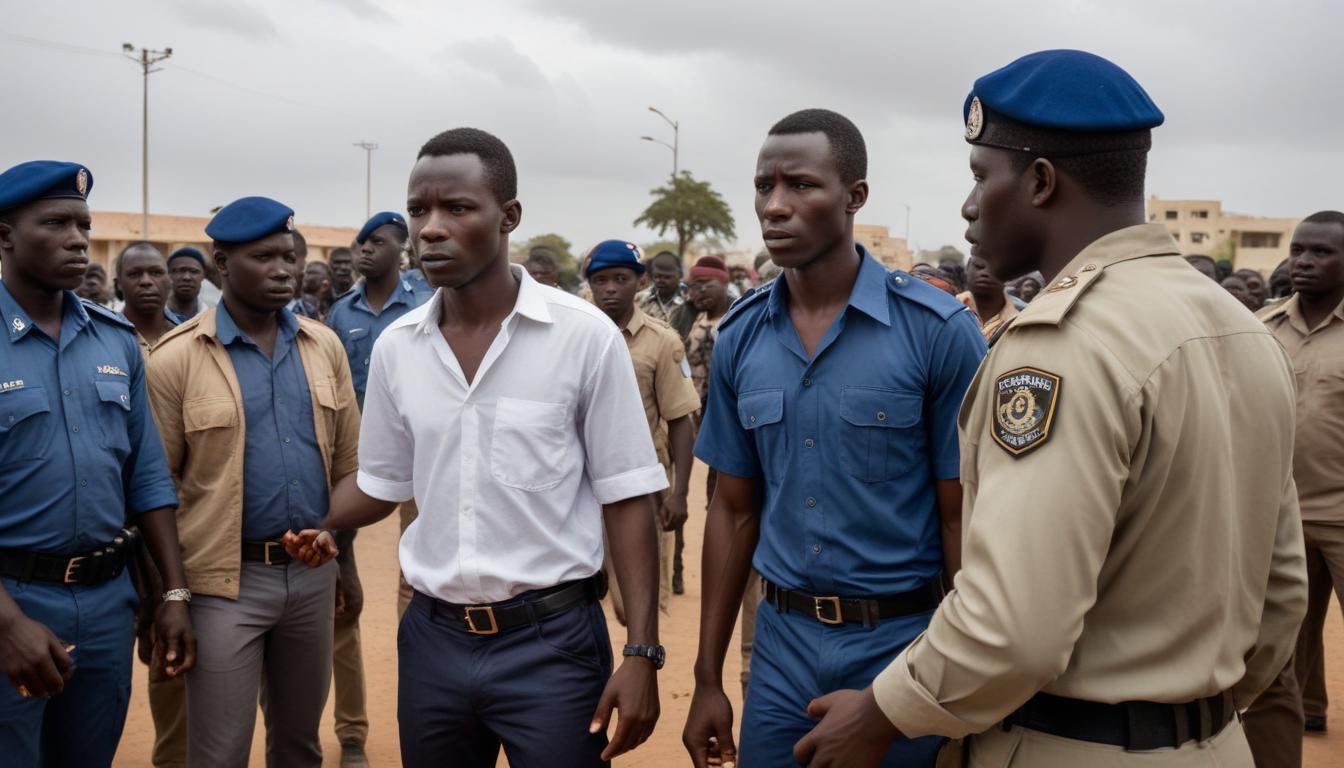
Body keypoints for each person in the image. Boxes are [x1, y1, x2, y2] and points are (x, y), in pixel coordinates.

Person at [793, 50, 1306, 768]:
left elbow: (1013, 629)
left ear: (1039, 181)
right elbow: (1280, 595)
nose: (969, 205)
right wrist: (1188, 714)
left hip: (1066, 744)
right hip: (1216, 745)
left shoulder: (1061, 346)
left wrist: (881, 712)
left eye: (980, 176)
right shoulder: (1244, 331)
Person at [284, 127, 666, 768]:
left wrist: (642, 651)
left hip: (553, 646)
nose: (430, 228)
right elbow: (382, 480)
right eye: (419, 210)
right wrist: (325, 524)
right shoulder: (398, 348)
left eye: (457, 209)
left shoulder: (582, 338)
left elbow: (627, 496)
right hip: (433, 642)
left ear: (508, 216)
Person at [683, 109, 986, 768]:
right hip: (781, 650)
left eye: (801, 186)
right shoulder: (741, 339)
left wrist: (968, 686)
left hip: (904, 650)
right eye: (765, 187)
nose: (775, 206)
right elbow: (733, 510)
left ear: (855, 197)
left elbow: (961, 517)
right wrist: (707, 676)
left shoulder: (935, 332)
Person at [146, 196, 362, 768]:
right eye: (264, 257)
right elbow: (155, 488)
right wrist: (168, 596)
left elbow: (349, 466)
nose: (284, 269)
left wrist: (337, 548)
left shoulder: (325, 348)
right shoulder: (174, 361)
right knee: (219, 753)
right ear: (222, 262)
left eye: (290, 256)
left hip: (311, 577)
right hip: (222, 585)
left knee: (300, 746)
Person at [0, 160, 195, 767]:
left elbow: (147, 477)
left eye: (83, 224)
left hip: (108, 604)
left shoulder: (115, 341)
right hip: (14, 602)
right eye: (55, 222)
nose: (78, 239)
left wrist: (173, 592)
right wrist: (6, 624)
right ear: (4, 235)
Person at [323, 210, 432, 766]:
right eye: (360, 243)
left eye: (377, 242)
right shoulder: (342, 313)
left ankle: (422, 660)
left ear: (401, 249)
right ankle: (352, 731)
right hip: (359, 460)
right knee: (341, 571)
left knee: (420, 568)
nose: (365, 250)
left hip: (425, 455)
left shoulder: (428, 300)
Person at [1246, 211, 1344, 764]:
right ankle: (1307, 712)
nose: (1303, 262)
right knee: (1281, 642)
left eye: (1321, 253)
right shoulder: (1262, 328)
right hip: (1281, 514)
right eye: (1299, 250)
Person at [586, 239, 700, 623]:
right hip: (579, 485)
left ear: (641, 281)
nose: (611, 289)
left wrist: (679, 494)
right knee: (578, 593)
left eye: (621, 279)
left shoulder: (662, 341)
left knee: (638, 603)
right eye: (601, 280)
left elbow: (680, 420)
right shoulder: (574, 336)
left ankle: (642, 677)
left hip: (642, 485)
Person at [683, 253, 733, 605]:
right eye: (694, 286)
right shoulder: (691, 323)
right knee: (716, 503)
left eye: (706, 284)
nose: (699, 291)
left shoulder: (742, 317)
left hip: (740, 425)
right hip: (707, 425)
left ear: (724, 282)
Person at [114, 242, 178, 355]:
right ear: (119, 283)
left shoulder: (188, 335)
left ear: (169, 280)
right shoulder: (104, 337)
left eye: (156, 273)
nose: (146, 281)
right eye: (134, 274)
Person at [957, 254, 1020, 341]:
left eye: (993, 269)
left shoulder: (1017, 323)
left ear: (1009, 275)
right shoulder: (950, 309)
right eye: (979, 266)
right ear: (967, 269)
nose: (985, 273)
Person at [638, 249, 696, 340]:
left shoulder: (691, 299)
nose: (660, 281)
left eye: (667, 277)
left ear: (680, 276)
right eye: (657, 276)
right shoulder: (640, 299)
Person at [165, 247, 208, 324]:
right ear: (168, 275)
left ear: (203, 276)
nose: (186, 277)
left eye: (194, 271)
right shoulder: (156, 316)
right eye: (180, 271)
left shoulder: (211, 318)